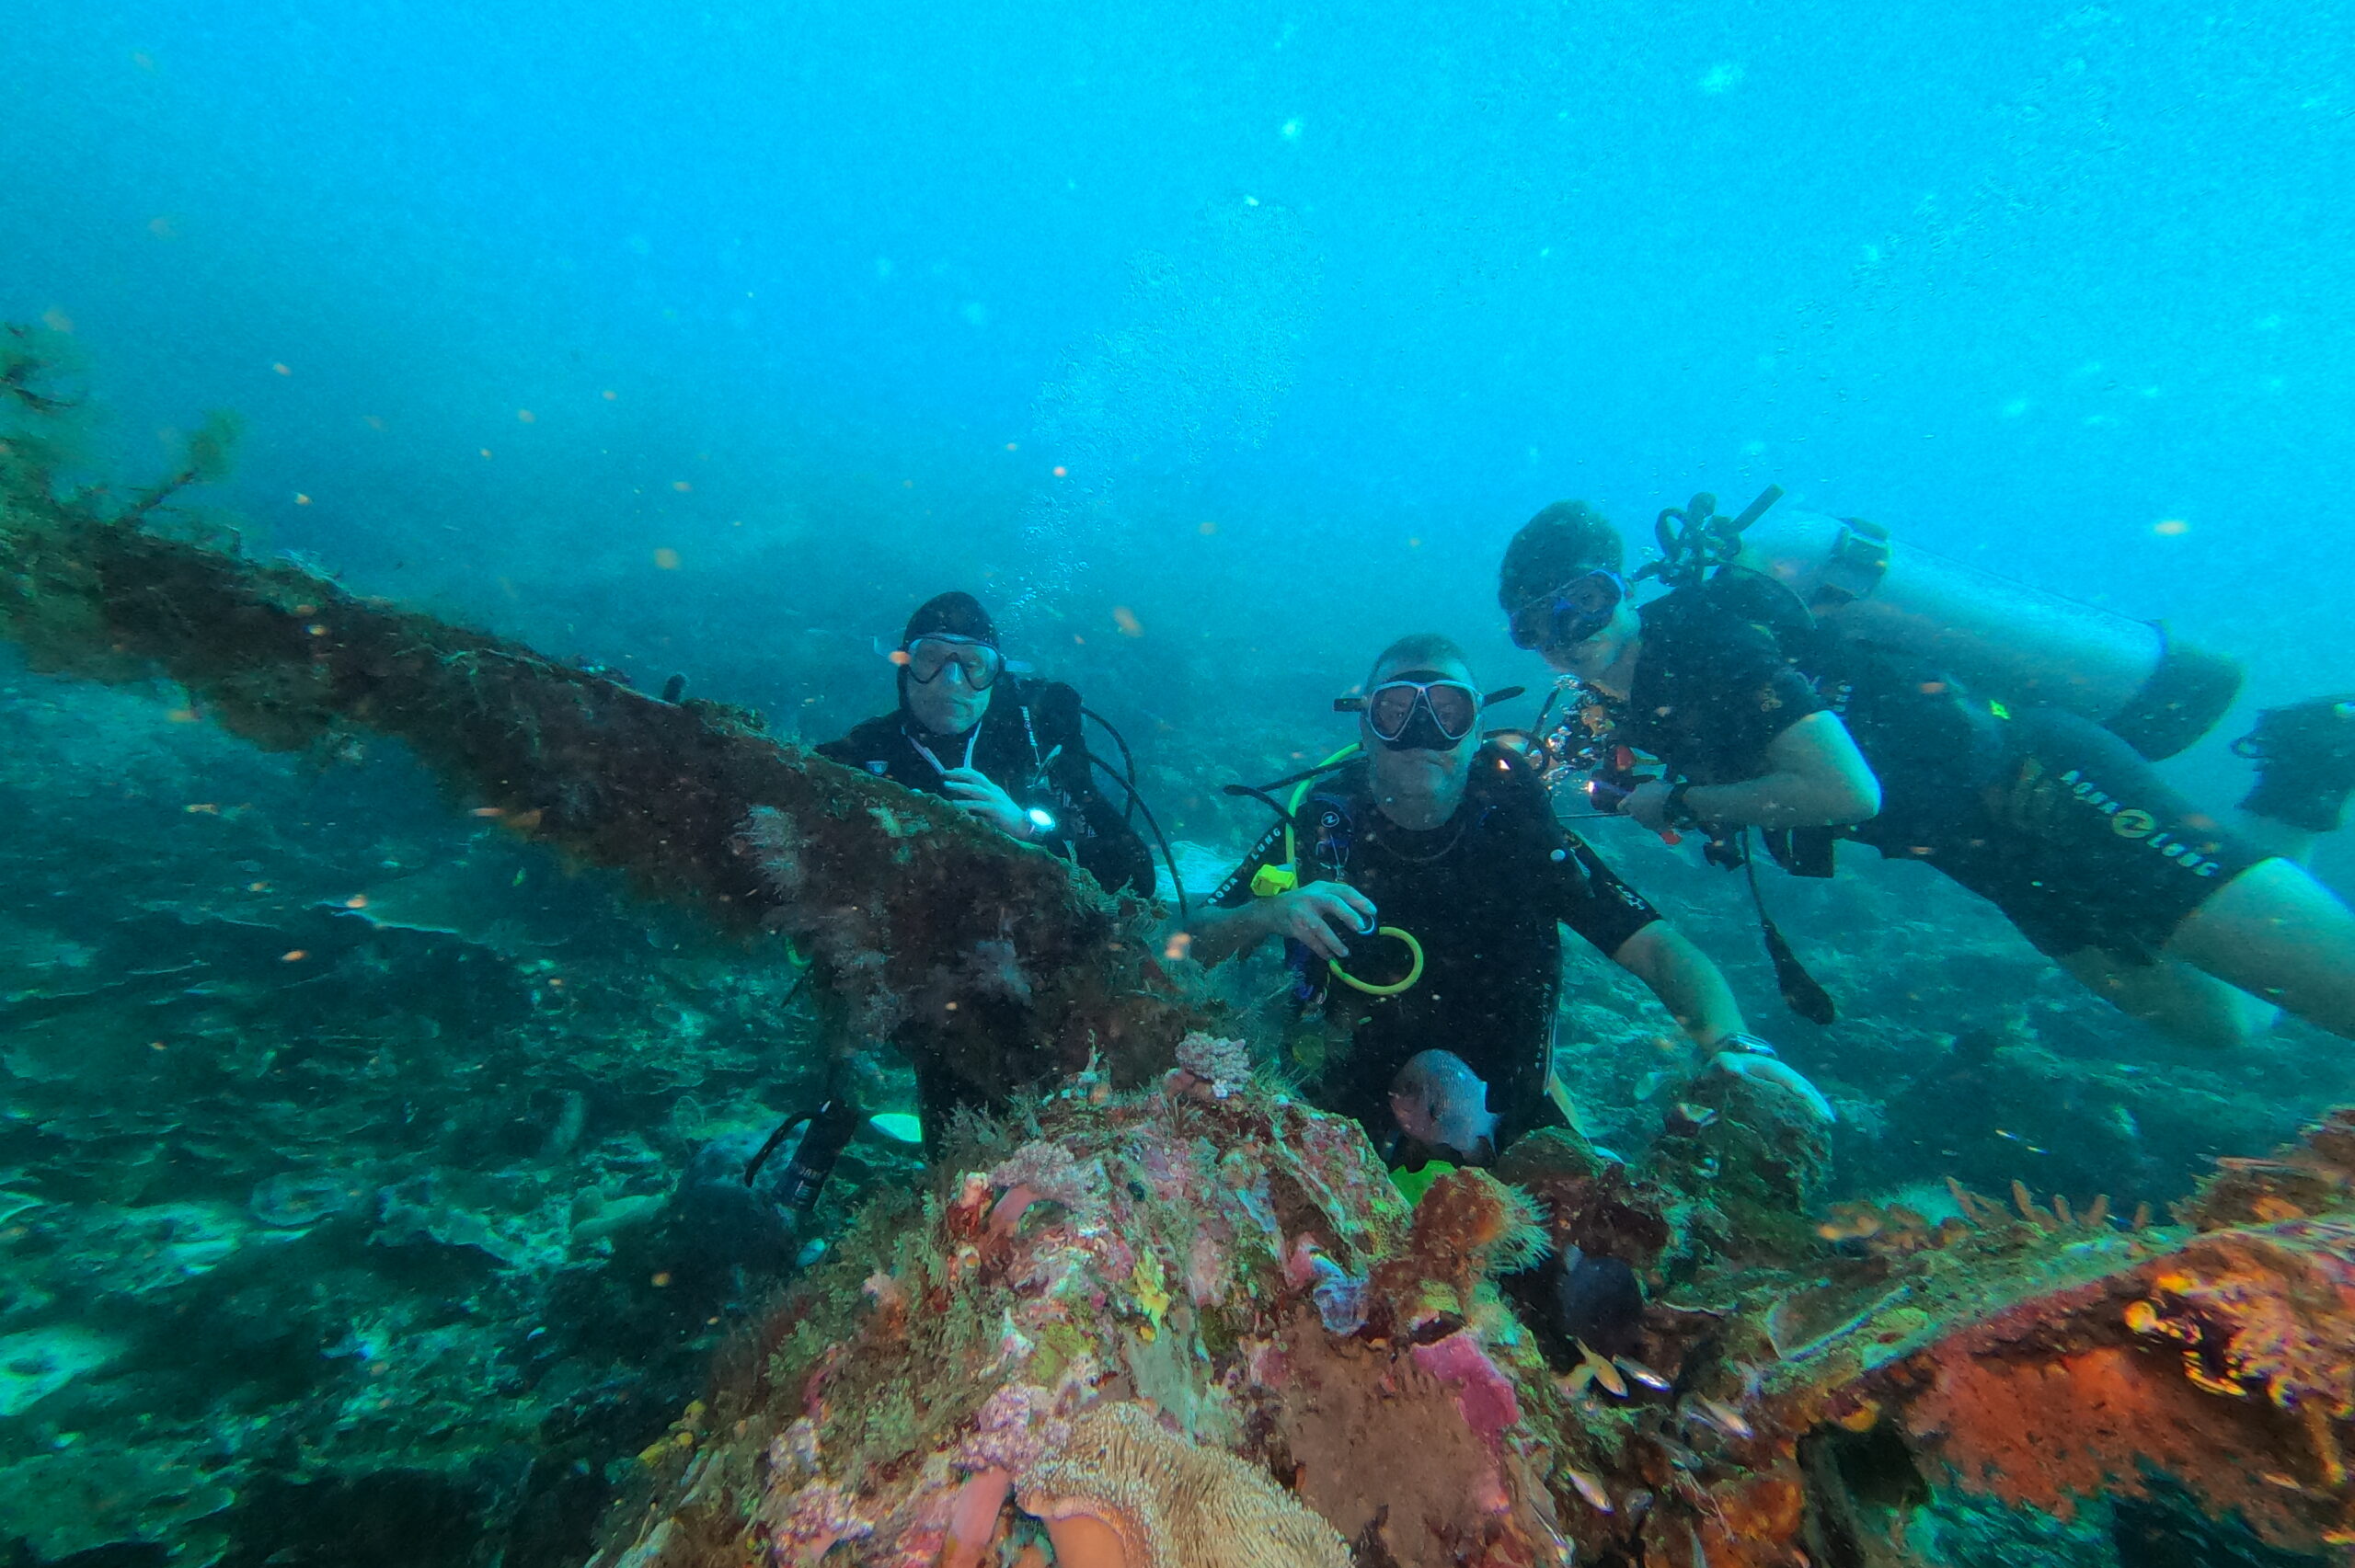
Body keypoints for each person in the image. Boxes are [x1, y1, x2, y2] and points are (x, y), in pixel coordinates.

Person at [1498, 500, 2355, 1047]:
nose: (1565, 631)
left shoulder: (1705, 641)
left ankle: (2310, 765)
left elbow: (1846, 792)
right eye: (1535, 623)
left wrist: (1680, 799)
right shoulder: (1619, 699)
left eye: (1585, 601)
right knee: (2224, 1022)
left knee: (2334, 988)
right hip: (1984, 858)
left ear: (1623, 590)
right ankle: (2301, 783)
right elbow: (1584, 773)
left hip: (2049, 794)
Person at [1182, 632, 1832, 1170]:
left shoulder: (1520, 830)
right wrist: (1267, 913)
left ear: (1476, 727)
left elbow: (1656, 946)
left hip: (1506, 1123)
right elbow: (1185, 941)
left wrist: (1732, 1041)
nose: (1421, 732)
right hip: (1338, 1122)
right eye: (1395, 710)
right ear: (1366, 722)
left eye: (1448, 710)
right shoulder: (1320, 826)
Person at [820, 591, 1155, 898]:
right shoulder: (866, 751)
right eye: (930, 658)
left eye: (974, 664)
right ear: (904, 666)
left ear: (996, 675)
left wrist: (1028, 830)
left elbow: (1136, 879)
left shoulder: (1033, 741)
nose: (951, 682)